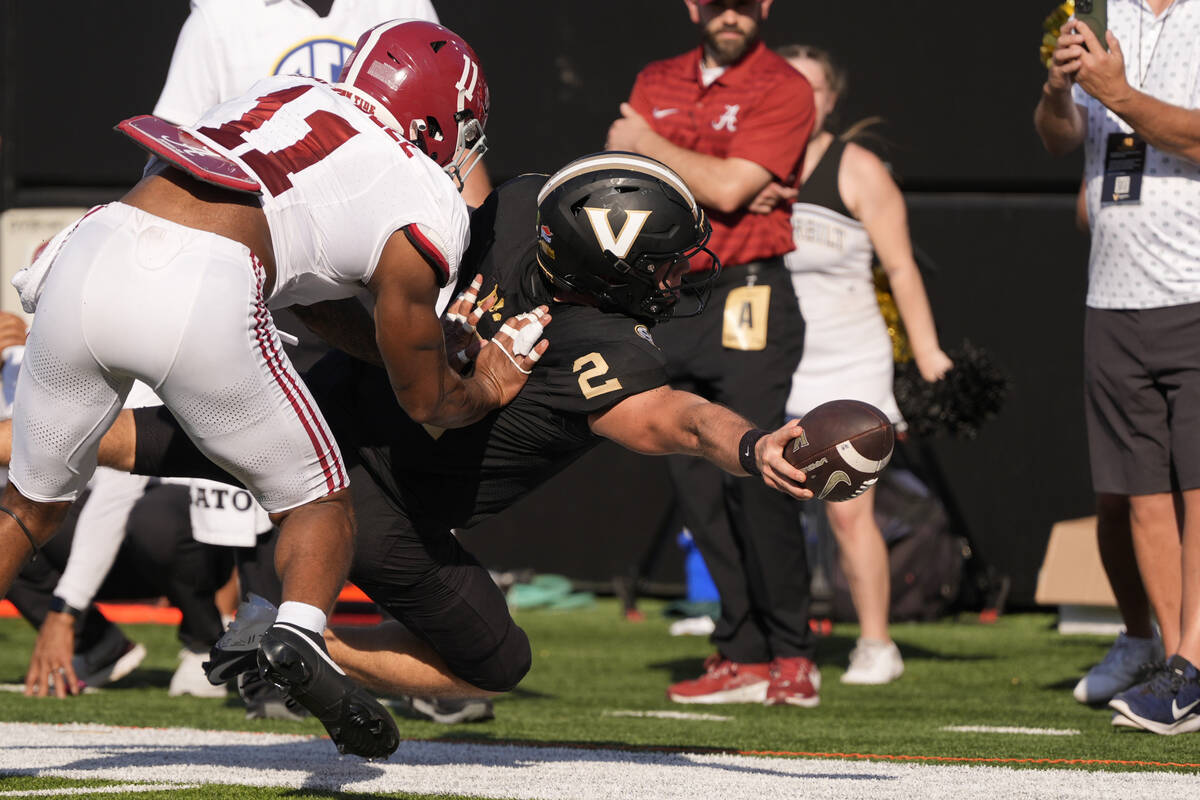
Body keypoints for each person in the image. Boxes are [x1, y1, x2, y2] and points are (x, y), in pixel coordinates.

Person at [11, 153, 816, 708]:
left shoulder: (511, 214)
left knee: (118, 438)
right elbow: (679, 421)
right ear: (606, 265)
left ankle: (286, 628)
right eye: (663, 264)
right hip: (381, 508)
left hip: (321, 401)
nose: (674, 279)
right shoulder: (603, 344)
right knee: (495, 666)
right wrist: (754, 445)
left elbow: (449, 183)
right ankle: (287, 638)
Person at [0, 20, 543, 759]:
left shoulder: (286, 90)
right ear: (437, 115)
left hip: (95, 245)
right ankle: (297, 634)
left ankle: (295, 636)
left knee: (30, 508)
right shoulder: (425, 194)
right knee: (320, 500)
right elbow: (427, 401)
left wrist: (402, 352)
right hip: (202, 280)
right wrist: (485, 383)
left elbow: (318, 290)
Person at [605, 0, 820, 706]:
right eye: (717, 2)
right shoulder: (656, 77)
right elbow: (620, 174)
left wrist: (660, 151)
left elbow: (727, 186)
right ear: (694, 6)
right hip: (669, 295)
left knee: (758, 466)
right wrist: (712, 178)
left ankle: (793, 653)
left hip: (750, 293)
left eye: (744, 3)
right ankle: (741, 650)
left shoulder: (783, 85)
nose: (730, 13)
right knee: (693, 474)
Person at [749, 45, 952, 685]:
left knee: (846, 509)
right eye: (786, 85)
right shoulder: (748, 167)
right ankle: (768, 638)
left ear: (832, 99)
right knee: (763, 498)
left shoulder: (856, 168)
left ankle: (875, 643)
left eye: (812, 89)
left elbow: (901, 268)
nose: (799, 100)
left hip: (850, 361)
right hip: (777, 358)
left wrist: (928, 357)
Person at [1035, 0, 1200, 734]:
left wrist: (1117, 94)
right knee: (1139, 494)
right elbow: (1059, 140)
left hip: (1196, 285)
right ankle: (1174, 662)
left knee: (1198, 490)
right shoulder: (1093, 11)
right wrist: (1055, 94)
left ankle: (1193, 668)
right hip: (1113, 292)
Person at [152, 0, 493, 212]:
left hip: (388, 228)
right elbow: (170, 150)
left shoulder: (401, 5)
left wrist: (478, 245)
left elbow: (453, 131)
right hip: (270, 238)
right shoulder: (220, 17)